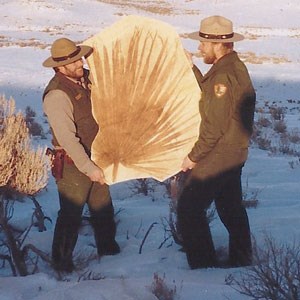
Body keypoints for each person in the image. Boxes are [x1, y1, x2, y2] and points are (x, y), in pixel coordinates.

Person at [177, 16, 256, 269]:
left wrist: (193, 157)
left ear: (216, 44)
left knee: (189, 208)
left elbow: (214, 127)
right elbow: (211, 95)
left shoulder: (222, 75)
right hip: (234, 151)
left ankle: (203, 269)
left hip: (220, 152)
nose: (200, 48)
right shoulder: (233, 67)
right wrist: (192, 69)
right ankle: (241, 260)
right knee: (231, 207)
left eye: (202, 43)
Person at [42, 38, 120, 273]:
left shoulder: (85, 78)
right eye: (73, 62)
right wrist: (89, 168)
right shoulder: (57, 95)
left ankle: (110, 256)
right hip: (73, 164)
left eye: (79, 58)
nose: (79, 64)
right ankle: (61, 264)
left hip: (96, 156)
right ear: (59, 67)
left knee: (103, 208)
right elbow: (67, 139)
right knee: (70, 215)